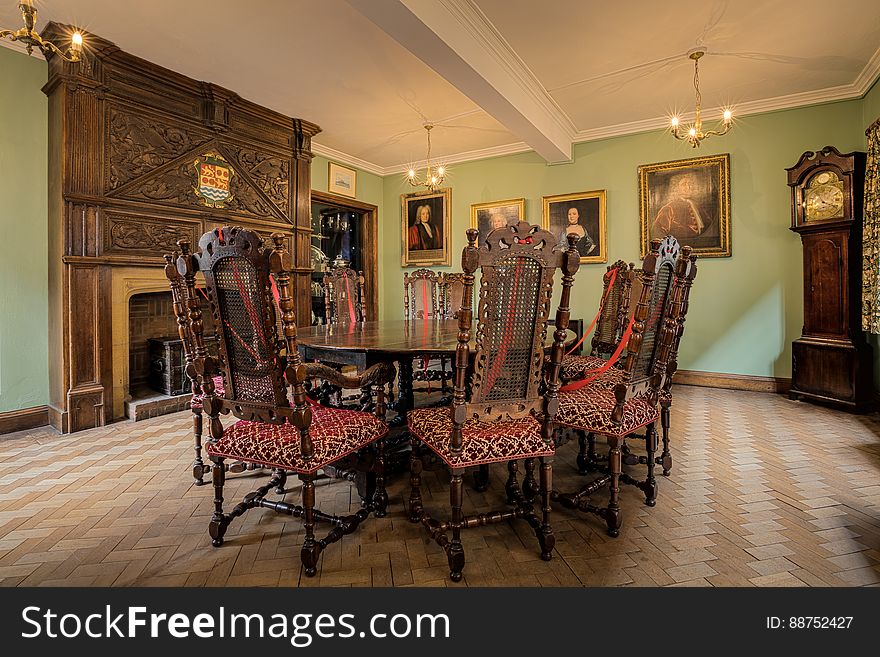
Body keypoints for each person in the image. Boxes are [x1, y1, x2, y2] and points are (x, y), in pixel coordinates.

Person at [651, 173, 706, 240]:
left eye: (690, 184)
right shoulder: (669, 208)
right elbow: (658, 232)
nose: (688, 187)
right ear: (676, 188)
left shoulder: (696, 205)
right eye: (684, 184)